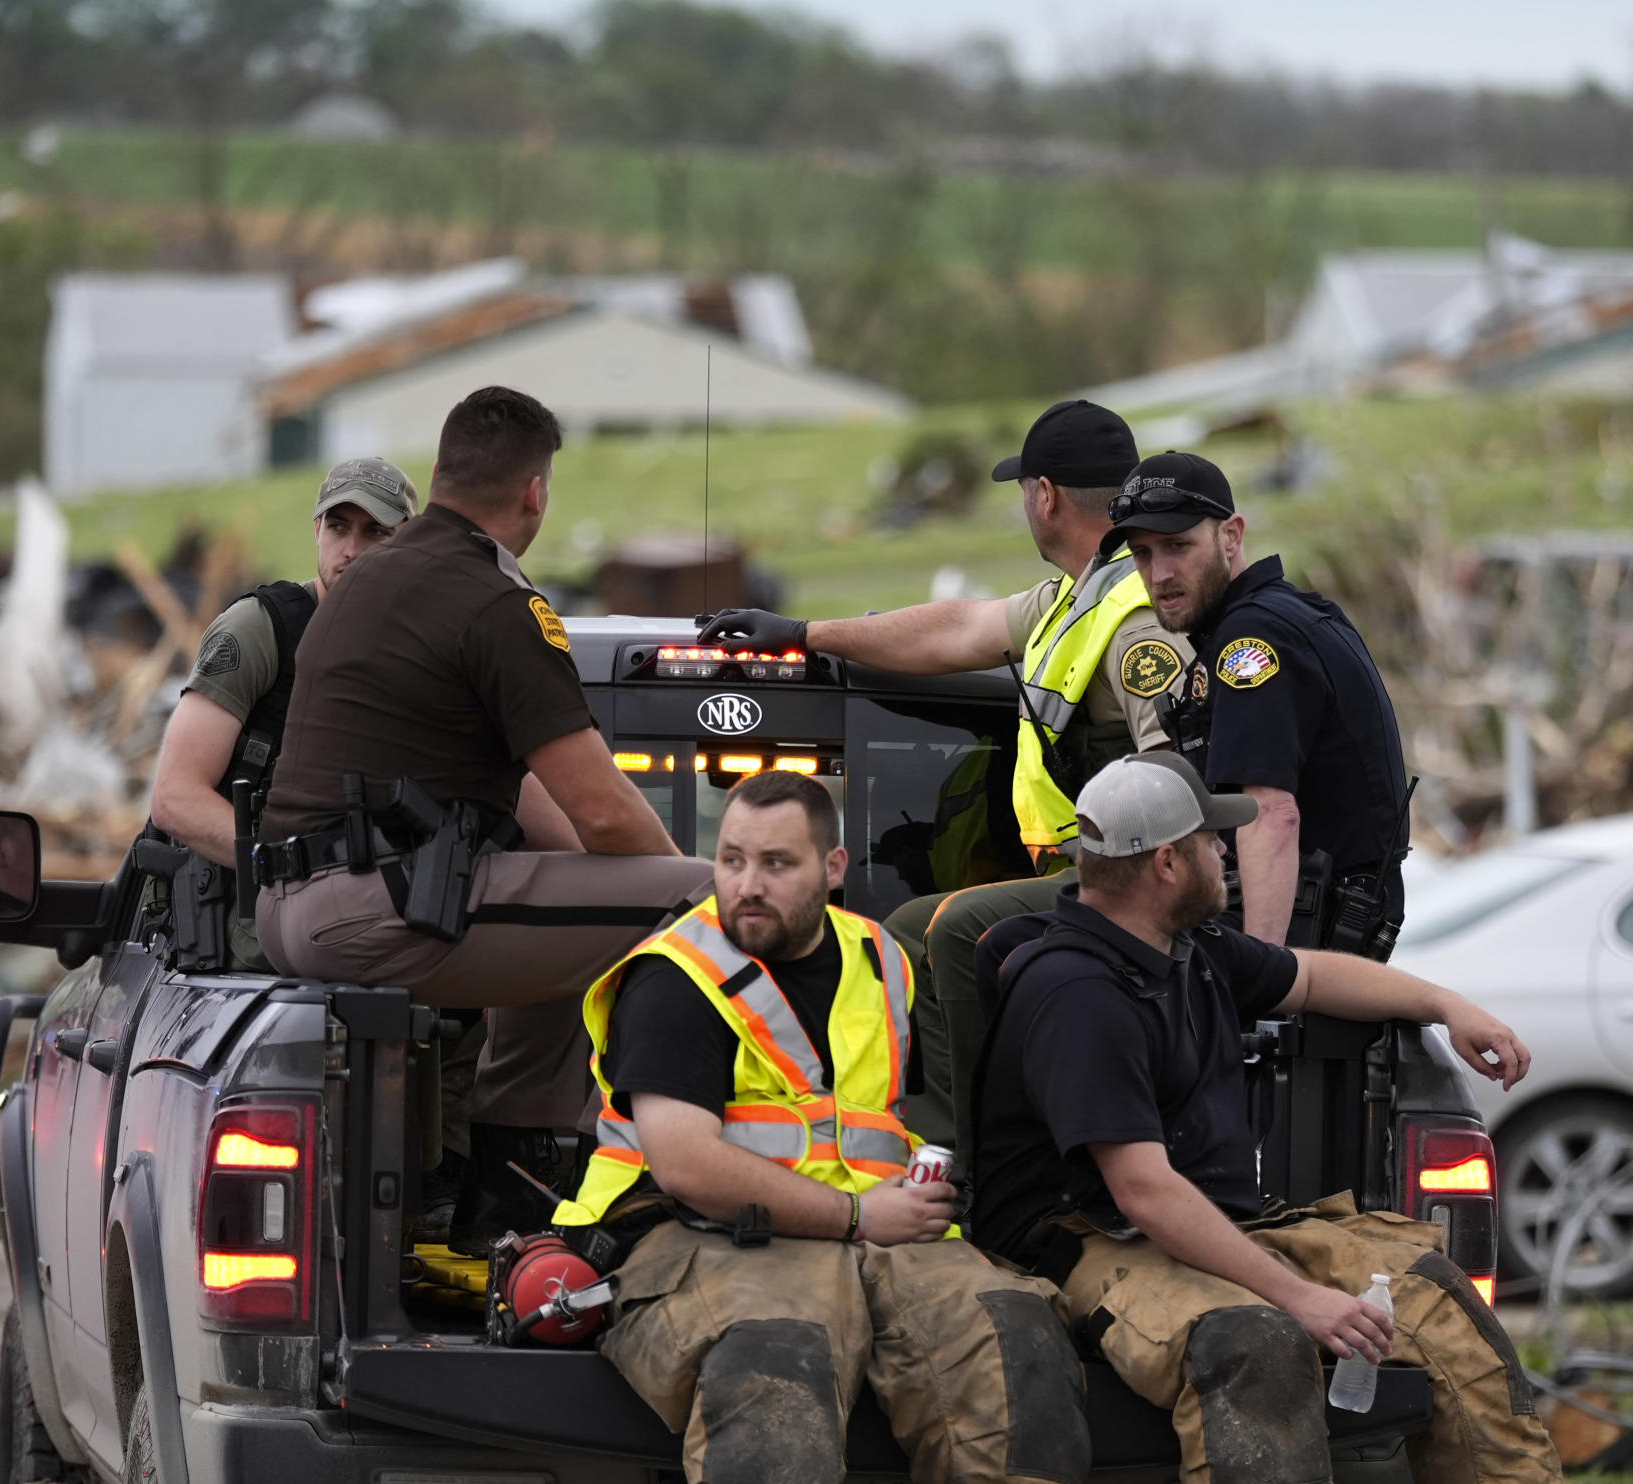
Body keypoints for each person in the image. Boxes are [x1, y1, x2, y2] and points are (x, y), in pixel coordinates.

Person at [968, 753, 1633, 1484]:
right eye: (1213, 842)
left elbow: (1314, 976)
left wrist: (1449, 1003)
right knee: (1253, 1346)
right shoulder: (1075, 988)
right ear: (1169, 863)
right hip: (1095, 1240)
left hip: (1217, 1218)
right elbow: (1141, 1191)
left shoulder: (1184, 947)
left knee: (1436, 1294)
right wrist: (1301, 1295)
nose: (1231, 853)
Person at [552, 771, 1141, 1484]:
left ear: (831, 869)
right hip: (697, 1236)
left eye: (774, 865)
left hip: (870, 1235)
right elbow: (685, 1158)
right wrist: (859, 1216)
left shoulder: (883, 959)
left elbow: (908, 1113)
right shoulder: (673, 976)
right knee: (776, 1349)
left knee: (1004, 1319)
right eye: (731, 861)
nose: (746, 885)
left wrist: (916, 1203)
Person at [255, 387, 712, 1231]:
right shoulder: (498, 604)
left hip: (292, 905)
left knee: (566, 923)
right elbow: (608, 817)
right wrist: (688, 883)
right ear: (536, 492)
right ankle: (682, 1172)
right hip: (371, 910)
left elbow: (556, 821)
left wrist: (602, 878)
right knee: (695, 902)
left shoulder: (368, 579)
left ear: (437, 475)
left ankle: (507, 1200)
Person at [692, 399, 1189, 1151]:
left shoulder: (1133, 621)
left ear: (1045, 495)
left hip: (1120, 884)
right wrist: (802, 634)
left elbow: (1175, 783)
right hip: (1073, 874)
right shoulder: (1074, 599)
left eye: (1024, 490)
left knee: (926, 930)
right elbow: (957, 628)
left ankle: (957, 1157)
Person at [1109, 451, 1408, 952]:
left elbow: (1271, 814)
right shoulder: (1282, 611)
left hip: (1309, 921)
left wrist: (1264, 978)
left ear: (1231, 536)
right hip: (1319, 908)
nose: (1158, 574)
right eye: (1141, 554)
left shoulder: (1250, 641)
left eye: (1177, 546)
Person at [143, 456, 424, 969]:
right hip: (247, 941)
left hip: (383, 929)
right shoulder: (260, 631)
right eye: (338, 527)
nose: (352, 550)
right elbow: (176, 797)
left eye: (375, 532)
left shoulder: (424, 651)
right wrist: (293, 869)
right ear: (317, 529)